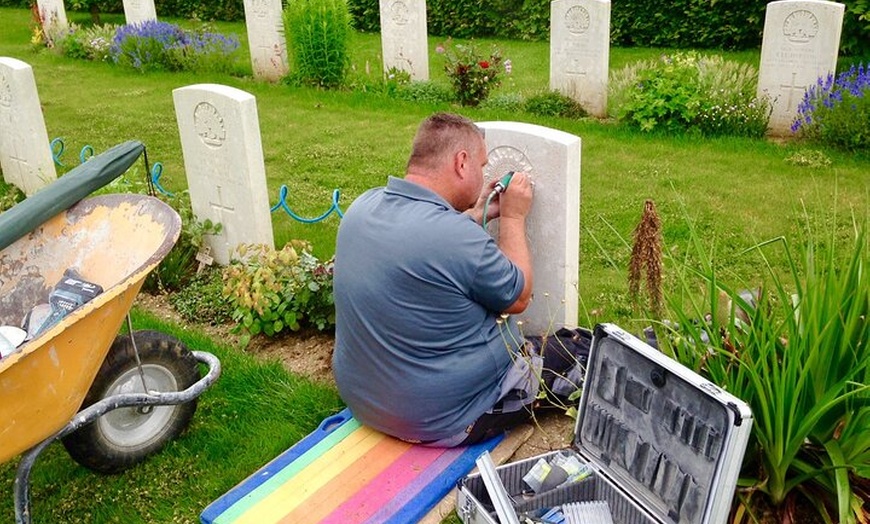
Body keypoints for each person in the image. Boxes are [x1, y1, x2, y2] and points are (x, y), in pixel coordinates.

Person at [333, 112, 578, 447]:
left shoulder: (363, 206)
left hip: (366, 401)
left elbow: (426, 242)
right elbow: (518, 297)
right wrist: (513, 216)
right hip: (445, 417)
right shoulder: (455, 237)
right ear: (461, 163)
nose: (481, 175)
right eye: (480, 166)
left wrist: (475, 215)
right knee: (584, 351)